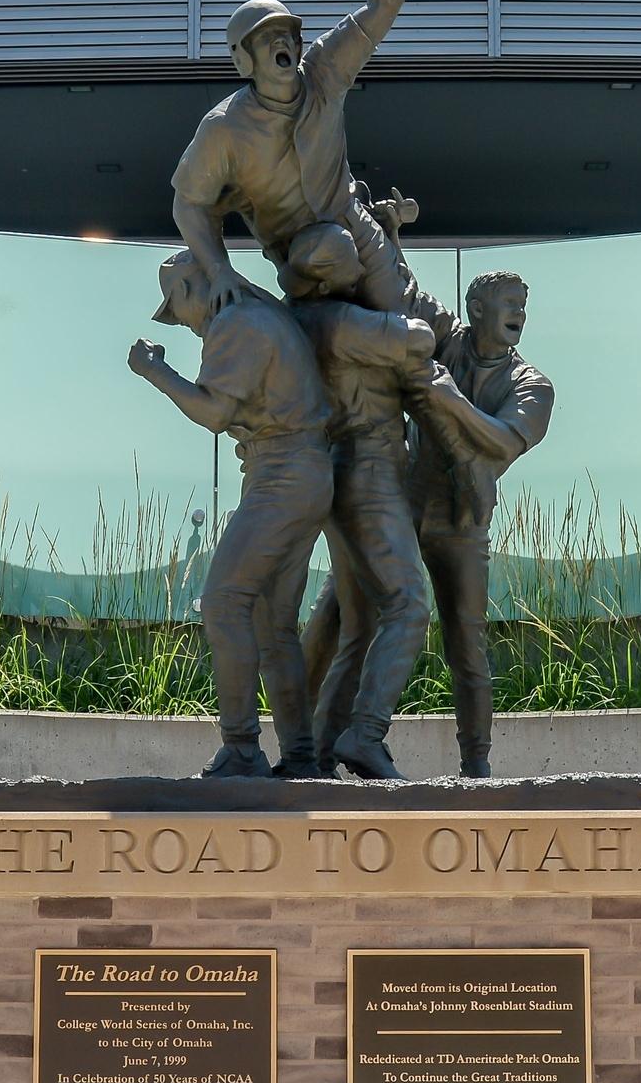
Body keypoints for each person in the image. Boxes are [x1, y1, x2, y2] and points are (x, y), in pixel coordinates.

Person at [127, 251, 332, 778]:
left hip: (283, 474)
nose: (183, 324)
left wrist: (154, 371)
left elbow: (215, 412)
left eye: (176, 310)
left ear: (189, 289)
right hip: (300, 473)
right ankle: (301, 758)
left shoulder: (236, 321)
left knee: (222, 602)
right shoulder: (255, 312)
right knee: (272, 624)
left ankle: (241, 748)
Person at [170, 0, 410, 316]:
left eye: (287, 33)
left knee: (407, 319)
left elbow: (384, 5)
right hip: (303, 253)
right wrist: (220, 270)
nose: (282, 41)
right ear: (244, 59)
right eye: (266, 37)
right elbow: (188, 204)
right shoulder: (225, 127)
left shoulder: (324, 69)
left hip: (355, 224)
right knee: (344, 310)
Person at [275, 223, 436, 780]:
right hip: (369, 471)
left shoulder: (301, 318)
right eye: (350, 261)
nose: (361, 267)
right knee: (409, 605)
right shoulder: (339, 321)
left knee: (357, 621)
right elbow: (418, 336)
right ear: (324, 279)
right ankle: (366, 733)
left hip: (343, 471)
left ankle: (316, 754)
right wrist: (390, 281)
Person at [405, 271, 555, 777]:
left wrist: (449, 399)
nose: (519, 314)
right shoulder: (446, 339)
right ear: (476, 308)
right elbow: (401, 287)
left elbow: (501, 442)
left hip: (462, 521)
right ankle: (333, 743)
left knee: (467, 645)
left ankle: (477, 766)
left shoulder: (532, 385)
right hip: (403, 504)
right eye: (509, 303)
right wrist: (390, 236)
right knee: (356, 612)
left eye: (522, 305)